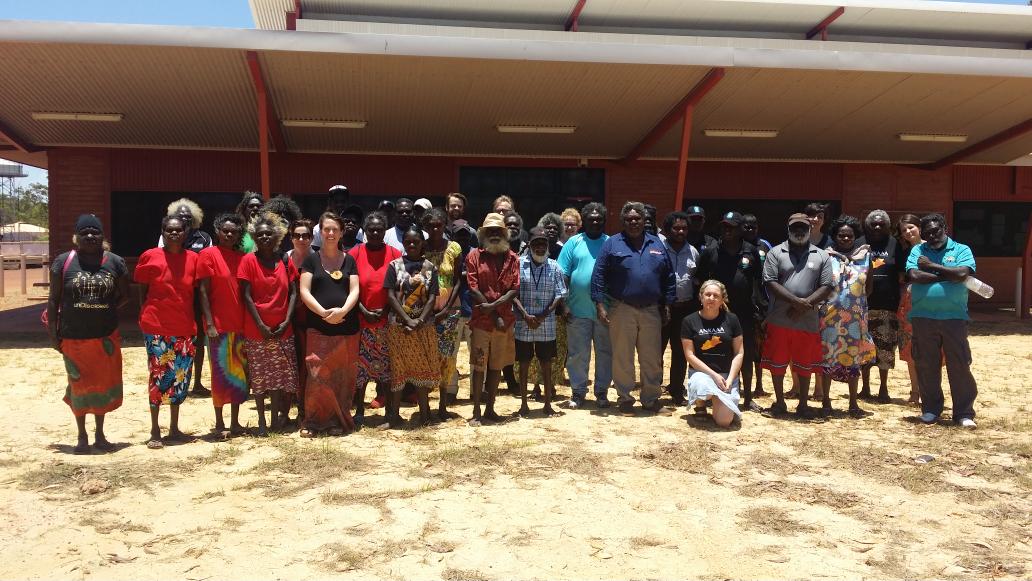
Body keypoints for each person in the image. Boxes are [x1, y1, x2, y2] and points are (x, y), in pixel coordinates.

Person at [48, 214, 129, 454]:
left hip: (105, 336)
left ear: (103, 237)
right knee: (79, 386)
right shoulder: (63, 262)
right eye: (85, 233)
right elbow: (53, 300)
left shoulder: (115, 262)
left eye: (95, 232)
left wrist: (106, 309)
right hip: (74, 337)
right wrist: (53, 334)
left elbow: (125, 295)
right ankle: (82, 436)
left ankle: (100, 435)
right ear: (77, 237)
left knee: (103, 384)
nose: (91, 236)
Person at [591, 201, 675, 415]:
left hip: (651, 309)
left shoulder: (657, 244)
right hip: (622, 308)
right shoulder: (612, 244)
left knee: (652, 356)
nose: (634, 222)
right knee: (622, 356)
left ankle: (651, 399)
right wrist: (600, 305)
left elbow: (669, 277)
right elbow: (599, 275)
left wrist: (667, 304)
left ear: (644, 220)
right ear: (623, 222)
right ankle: (625, 399)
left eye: (638, 218)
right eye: (629, 219)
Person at [906, 213, 979, 428]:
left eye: (935, 231)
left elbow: (963, 273)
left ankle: (964, 412)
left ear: (944, 228)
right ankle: (930, 409)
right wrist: (948, 275)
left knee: (959, 364)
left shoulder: (961, 250)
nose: (931, 235)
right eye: (927, 232)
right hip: (923, 316)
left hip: (954, 317)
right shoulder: (917, 250)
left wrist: (932, 267)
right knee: (926, 364)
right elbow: (914, 276)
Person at [135, 215, 200, 449]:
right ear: (162, 232)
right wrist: (145, 314)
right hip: (157, 328)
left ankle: (174, 428)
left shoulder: (193, 259)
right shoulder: (150, 256)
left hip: (184, 328)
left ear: (185, 234)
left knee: (180, 378)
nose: (174, 234)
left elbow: (196, 294)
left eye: (178, 230)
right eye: (169, 230)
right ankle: (155, 430)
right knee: (158, 377)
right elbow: (142, 290)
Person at [760, 213, 834, 419]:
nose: (799, 231)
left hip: (807, 319)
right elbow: (770, 281)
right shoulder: (775, 252)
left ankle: (803, 404)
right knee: (777, 361)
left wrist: (804, 305)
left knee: (805, 362)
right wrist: (796, 302)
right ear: (788, 229)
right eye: (795, 227)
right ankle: (780, 401)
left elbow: (827, 285)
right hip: (779, 317)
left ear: (810, 229)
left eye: (803, 227)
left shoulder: (822, 255)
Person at [694, 211, 765, 411]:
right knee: (715, 352)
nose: (727, 230)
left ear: (740, 229)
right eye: (724, 226)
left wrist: (761, 309)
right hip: (718, 314)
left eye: (732, 227)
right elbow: (699, 279)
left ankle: (748, 397)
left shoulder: (751, 251)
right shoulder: (710, 251)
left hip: (745, 313)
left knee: (746, 354)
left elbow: (758, 282)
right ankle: (711, 395)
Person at [299, 212, 361, 436]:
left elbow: (355, 289)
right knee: (317, 376)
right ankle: (315, 423)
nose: (331, 233)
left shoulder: (350, 259)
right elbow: (304, 291)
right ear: (320, 231)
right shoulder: (311, 259)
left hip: (347, 328)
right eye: (327, 229)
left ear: (342, 232)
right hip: (319, 327)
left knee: (341, 377)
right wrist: (324, 312)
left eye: (335, 229)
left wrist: (343, 310)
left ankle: (337, 421)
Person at [239, 212, 301, 435]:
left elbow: (294, 292)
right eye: (261, 234)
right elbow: (246, 296)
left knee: (277, 378)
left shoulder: (285, 260)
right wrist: (261, 326)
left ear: (276, 237)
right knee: (259, 378)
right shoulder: (248, 261)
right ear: (255, 237)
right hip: (257, 332)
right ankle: (262, 421)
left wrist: (286, 321)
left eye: (269, 234)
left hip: (283, 330)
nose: (265, 237)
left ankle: (276, 419)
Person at [813, 215, 875, 418]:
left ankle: (853, 403)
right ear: (835, 236)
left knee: (853, 359)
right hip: (829, 317)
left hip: (855, 318)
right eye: (842, 235)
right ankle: (826, 400)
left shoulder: (866, 257)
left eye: (850, 236)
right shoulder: (825, 257)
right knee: (828, 358)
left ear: (855, 236)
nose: (846, 239)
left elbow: (870, 286)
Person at [465, 213, 521, 426]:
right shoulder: (474, 256)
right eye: (491, 231)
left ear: (505, 233)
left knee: (496, 367)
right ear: (484, 234)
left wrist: (494, 309)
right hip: (482, 321)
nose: (495, 234)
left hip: (504, 323)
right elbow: (473, 287)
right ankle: (477, 410)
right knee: (479, 366)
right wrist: (493, 313)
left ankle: (491, 408)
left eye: (498, 230)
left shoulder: (512, 258)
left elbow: (514, 289)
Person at [196, 213, 249, 436]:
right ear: (217, 231)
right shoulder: (208, 255)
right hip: (217, 325)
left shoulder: (243, 258)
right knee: (219, 374)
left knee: (238, 375)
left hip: (240, 325)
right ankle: (219, 424)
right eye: (225, 230)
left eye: (234, 231)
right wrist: (209, 323)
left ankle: (235, 423)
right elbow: (203, 292)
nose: (229, 234)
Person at [384, 226, 442, 427]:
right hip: (399, 328)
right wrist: (407, 320)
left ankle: (425, 414)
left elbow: (433, 296)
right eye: (407, 241)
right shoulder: (394, 266)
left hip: (423, 327)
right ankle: (394, 416)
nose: (411, 245)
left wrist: (418, 321)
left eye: (415, 242)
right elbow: (390, 295)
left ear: (421, 244)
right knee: (399, 371)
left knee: (423, 370)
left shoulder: (430, 268)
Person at [557, 202, 612, 409]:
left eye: (599, 219)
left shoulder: (611, 243)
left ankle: (602, 392)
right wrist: (564, 304)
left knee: (605, 352)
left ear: (604, 221)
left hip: (605, 311)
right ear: (584, 222)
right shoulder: (574, 243)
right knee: (578, 353)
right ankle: (578, 392)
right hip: (577, 309)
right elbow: (562, 274)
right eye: (591, 219)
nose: (595, 222)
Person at [349, 212, 401, 426]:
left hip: (388, 322)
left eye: (380, 229)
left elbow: (399, 289)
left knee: (388, 370)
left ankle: (390, 411)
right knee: (360, 370)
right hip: (361, 322)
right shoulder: (354, 253)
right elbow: (348, 288)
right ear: (365, 231)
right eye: (371, 229)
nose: (376, 233)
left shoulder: (395, 254)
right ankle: (359, 410)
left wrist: (388, 310)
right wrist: (363, 310)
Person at [157, 198, 212, 398]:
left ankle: (196, 382)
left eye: (188, 217)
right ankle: (174, 380)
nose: (184, 220)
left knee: (198, 340)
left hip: (197, 296)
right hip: (176, 297)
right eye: (180, 216)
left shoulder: (204, 238)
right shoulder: (167, 236)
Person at [513, 227, 568, 416]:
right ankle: (523, 404)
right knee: (524, 362)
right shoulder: (518, 264)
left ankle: (547, 404)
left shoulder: (554, 266)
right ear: (529, 245)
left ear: (547, 245)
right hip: (523, 322)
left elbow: (560, 294)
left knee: (546, 362)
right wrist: (525, 315)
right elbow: (512, 293)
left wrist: (544, 314)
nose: (539, 247)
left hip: (547, 323)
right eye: (535, 243)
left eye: (543, 244)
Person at [682, 280, 745, 428]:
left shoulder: (732, 319)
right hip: (703, 374)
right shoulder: (689, 321)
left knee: (723, 422)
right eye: (707, 294)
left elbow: (739, 353)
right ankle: (701, 404)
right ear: (701, 297)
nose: (711, 298)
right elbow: (689, 355)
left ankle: (724, 403)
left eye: (716, 295)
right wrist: (714, 376)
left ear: (722, 299)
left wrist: (729, 379)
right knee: (703, 385)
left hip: (726, 376)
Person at [859, 209, 907, 402]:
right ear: (867, 226)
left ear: (888, 226)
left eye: (881, 224)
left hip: (887, 306)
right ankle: (865, 388)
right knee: (863, 349)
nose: (877, 227)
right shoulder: (859, 243)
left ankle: (883, 389)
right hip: (862, 306)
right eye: (873, 224)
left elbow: (902, 275)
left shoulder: (895, 245)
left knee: (885, 349)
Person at [423, 209, 464, 420]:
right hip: (426, 312)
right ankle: (425, 406)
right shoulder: (421, 248)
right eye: (431, 226)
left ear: (445, 225)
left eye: (439, 225)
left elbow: (458, 280)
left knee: (447, 358)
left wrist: (447, 308)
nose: (435, 229)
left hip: (450, 311)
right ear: (426, 227)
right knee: (428, 356)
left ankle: (442, 404)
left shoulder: (454, 248)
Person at [660, 211, 700, 406]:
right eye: (676, 228)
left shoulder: (693, 252)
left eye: (684, 228)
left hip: (685, 310)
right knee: (656, 351)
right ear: (668, 230)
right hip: (661, 308)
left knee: (680, 352)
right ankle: (653, 389)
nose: (680, 231)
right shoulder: (658, 250)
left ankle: (677, 390)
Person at [739, 212, 772, 397]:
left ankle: (759, 384)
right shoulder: (737, 246)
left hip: (761, 303)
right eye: (746, 226)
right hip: (741, 303)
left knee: (758, 348)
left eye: (753, 226)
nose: (750, 229)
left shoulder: (765, 246)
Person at [286, 218, 315, 422]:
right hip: (288, 321)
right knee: (290, 365)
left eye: (306, 235)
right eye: (297, 235)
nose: (302, 239)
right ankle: (287, 409)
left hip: (313, 321)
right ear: (291, 238)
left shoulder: (318, 258)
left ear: (312, 237)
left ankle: (307, 408)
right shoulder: (284, 259)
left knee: (309, 366)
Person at [445, 219, 477, 402]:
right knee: (451, 354)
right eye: (459, 234)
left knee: (476, 354)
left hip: (474, 311)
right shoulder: (447, 254)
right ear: (452, 235)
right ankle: (450, 390)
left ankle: (476, 390)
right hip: (453, 310)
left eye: (465, 234)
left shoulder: (476, 253)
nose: (463, 238)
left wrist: (463, 275)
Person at [896, 214, 925, 405]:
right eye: (904, 230)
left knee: (929, 348)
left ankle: (928, 389)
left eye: (911, 227)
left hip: (930, 301)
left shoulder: (931, 248)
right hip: (908, 302)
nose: (908, 232)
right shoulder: (903, 252)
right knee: (910, 349)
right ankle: (915, 390)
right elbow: (901, 279)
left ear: (920, 227)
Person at [312, 185, 364, 249]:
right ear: (330, 203)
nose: (339, 205)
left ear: (348, 203)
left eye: (343, 201)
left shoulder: (357, 230)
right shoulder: (318, 229)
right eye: (336, 202)